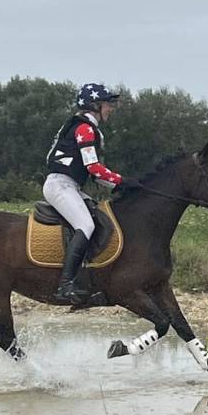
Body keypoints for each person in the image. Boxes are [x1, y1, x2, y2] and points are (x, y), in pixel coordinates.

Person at [43, 83, 138, 304]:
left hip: (69, 185)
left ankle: (88, 277)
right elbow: (94, 169)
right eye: (107, 104)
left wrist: (119, 184)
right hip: (60, 185)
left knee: (96, 218)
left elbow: (95, 175)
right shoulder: (85, 128)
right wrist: (122, 181)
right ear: (95, 105)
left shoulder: (86, 127)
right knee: (86, 225)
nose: (110, 109)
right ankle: (65, 284)